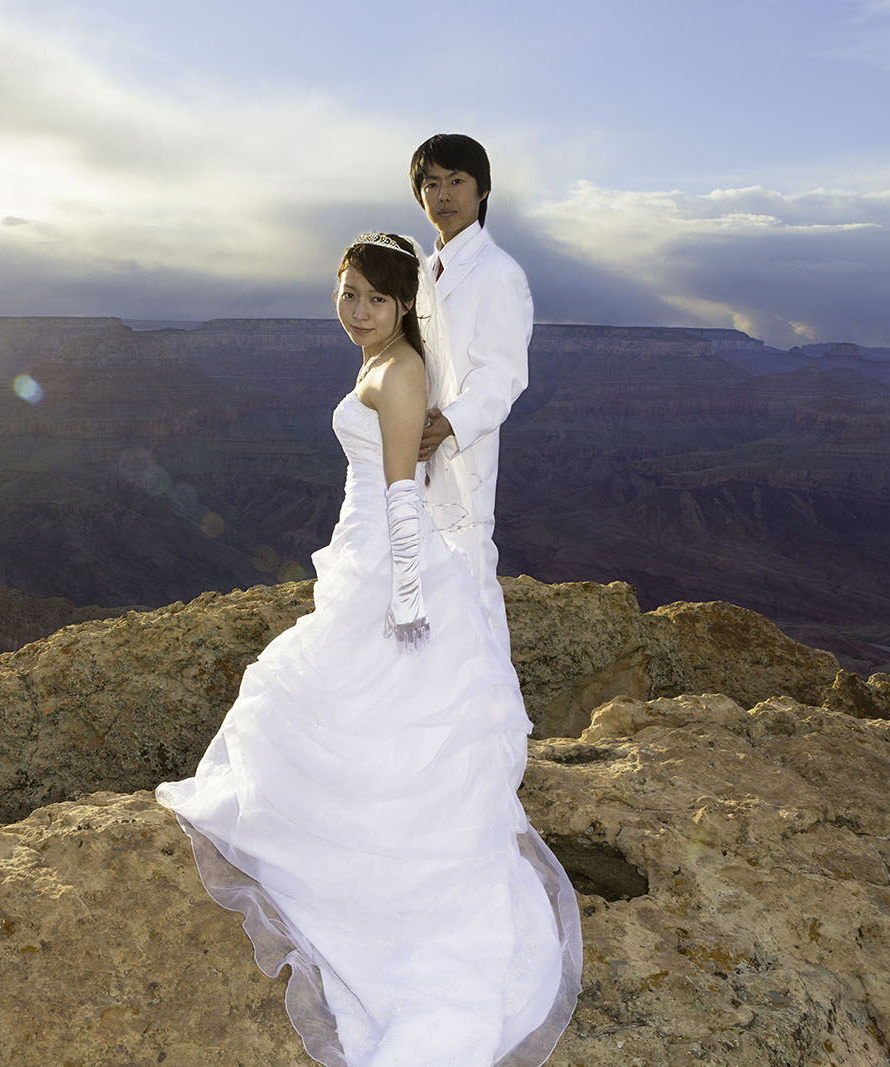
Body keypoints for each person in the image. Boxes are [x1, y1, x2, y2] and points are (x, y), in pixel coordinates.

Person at [156, 233, 581, 1066]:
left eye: (374, 300)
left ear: (403, 306)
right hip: (363, 552)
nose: (356, 311)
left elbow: (400, 492)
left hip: (390, 560)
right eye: (347, 293)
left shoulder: (401, 371)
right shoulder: (384, 361)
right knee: (341, 709)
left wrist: (408, 597)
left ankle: (389, 901)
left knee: (337, 698)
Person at [412, 133, 533, 638]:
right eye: (432, 183)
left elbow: (502, 376)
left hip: (460, 457)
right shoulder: (419, 271)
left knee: (469, 590)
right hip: (406, 453)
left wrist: (447, 426)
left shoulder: (500, 274)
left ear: (482, 190)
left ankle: (492, 715)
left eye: (457, 181)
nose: (444, 196)